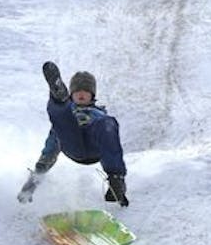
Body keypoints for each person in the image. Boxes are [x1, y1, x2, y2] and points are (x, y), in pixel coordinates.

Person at [17, 61, 128, 207]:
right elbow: (52, 145)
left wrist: (118, 185)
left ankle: (116, 179)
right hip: (73, 144)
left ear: (92, 94)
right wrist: (33, 181)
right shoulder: (68, 115)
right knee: (62, 119)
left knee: (108, 123)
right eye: (77, 91)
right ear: (72, 94)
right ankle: (59, 96)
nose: (81, 93)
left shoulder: (100, 115)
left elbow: (110, 145)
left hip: (95, 146)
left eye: (86, 91)